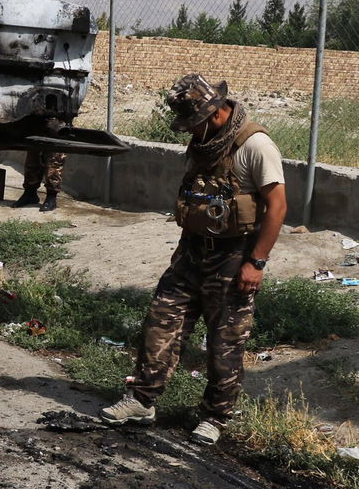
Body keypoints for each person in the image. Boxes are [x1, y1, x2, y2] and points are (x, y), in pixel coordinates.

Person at [100, 74, 287, 445]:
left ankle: (215, 418)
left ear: (215, 113)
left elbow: (278, 206)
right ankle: (142, 400)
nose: (189, 132)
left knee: (225, 342)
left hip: (234, 257)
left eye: (193, 123)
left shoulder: (255, 145)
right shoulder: (203, 144)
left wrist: (257, 262)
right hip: (191, 253)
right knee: (160, 323)